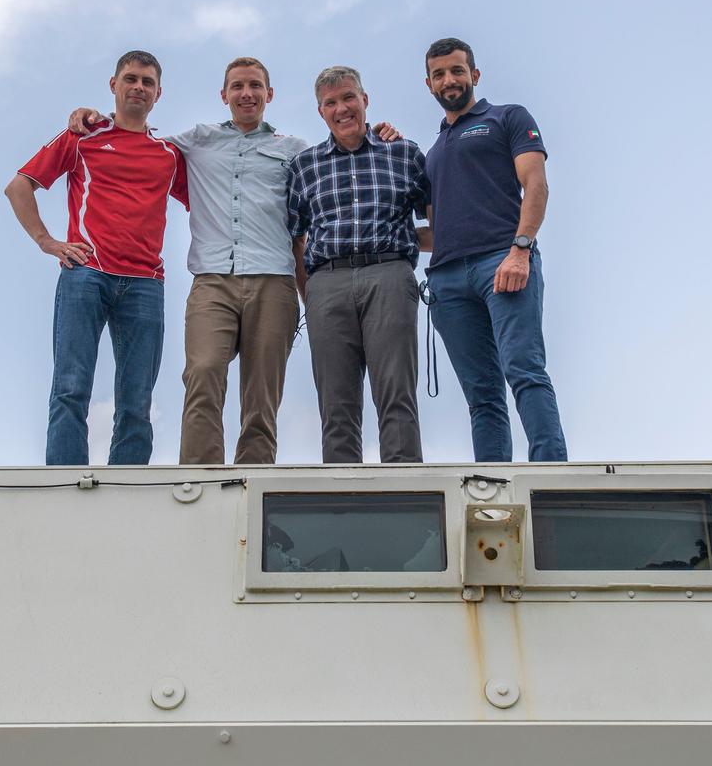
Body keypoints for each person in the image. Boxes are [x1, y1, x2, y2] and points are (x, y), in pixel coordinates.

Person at [66, 59, 402, 465]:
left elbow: (309, 222)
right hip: (213, 282)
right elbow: (137, 137)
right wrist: (96, 117)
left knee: (262, 394)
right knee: (203, 374)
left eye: (256, 86)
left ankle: (252, 479)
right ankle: (201, 477)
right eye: (238, 86)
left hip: (274, 282)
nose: (247, 93)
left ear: (269, 94)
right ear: (224, 95)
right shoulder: (195, 141)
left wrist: (381, 132)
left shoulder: (295, 152)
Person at [4, 50, 188, 466]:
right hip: (85, 275)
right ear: (114, 85)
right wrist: (47, 241)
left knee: (137, 399)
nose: (138, 86)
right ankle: (64, 485)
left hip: (145, 283)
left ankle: (127, 487)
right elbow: (19, 187)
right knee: (70, 387)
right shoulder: (83, 136)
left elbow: (208, 201)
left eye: (147, 82)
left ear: (158, 94)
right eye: (130, 78)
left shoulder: (168, 155)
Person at [421, 37, 568, 462]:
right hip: (447, 282)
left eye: (457, 70)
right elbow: (437, 229)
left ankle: (551, 475)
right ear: (429, 83)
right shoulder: (431, 154)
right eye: (439, 74)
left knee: (524, 371)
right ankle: (493, 485)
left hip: (502, 263)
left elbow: (535, 184)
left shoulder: (507, 118)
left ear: (474, 75)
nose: (449, 80)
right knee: (481, 395)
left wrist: (521, 249)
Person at [287, 66, 432, 464]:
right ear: (321, 112)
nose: (342, 108)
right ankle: (342, 502)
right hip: (326, 282)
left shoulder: (404, 153)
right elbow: (295, 237)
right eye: (331, 103)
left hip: (389, 275)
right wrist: (309, 294)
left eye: (348, 97)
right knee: (336, 403)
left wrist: (401, 241)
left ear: (365, 100)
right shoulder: (305, 166)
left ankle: (406, 495)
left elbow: (439, 223)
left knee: (396, 394)